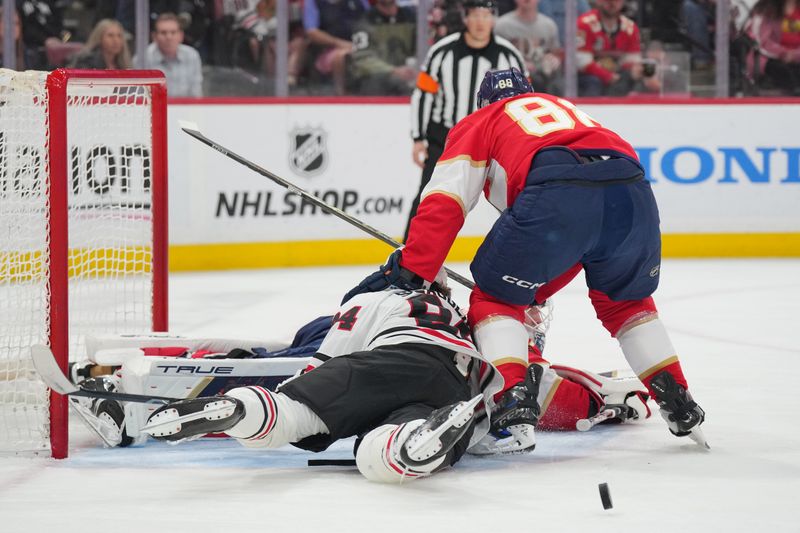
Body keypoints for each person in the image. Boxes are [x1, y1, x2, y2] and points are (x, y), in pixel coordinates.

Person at [346, 67, 708, 448]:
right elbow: (581, 222)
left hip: (557, 191)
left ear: (483, 103)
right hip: (632, 192)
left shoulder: (482, 120)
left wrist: (415, 267)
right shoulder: (563, 108)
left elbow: (445, 201)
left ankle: (512, 401)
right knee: (627, 304)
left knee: (494, 299)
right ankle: (678, 399)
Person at [140, 287, 538, 483]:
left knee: (293, 416)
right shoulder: (468, 324)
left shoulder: (377, 298)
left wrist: (297, 394)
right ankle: (409, 441)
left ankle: (240, 410)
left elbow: (328, 355)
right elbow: (510, 373)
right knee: (375, 452)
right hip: (453, 385)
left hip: (392, 357)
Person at [406, 0, 527, 242]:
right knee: (429, 197)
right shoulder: (441, 51)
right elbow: (423, 94)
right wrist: (419, 138)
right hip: (446, 139)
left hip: (494, 142)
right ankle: (409, 254)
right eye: (475, 14)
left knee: (515, 199)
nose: (481, 21)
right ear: (466, 18)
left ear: (493, 19)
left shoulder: (509, 55)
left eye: (486, 15)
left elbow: (524, 101)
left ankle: (521, 253)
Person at [576, 0, 653, 96]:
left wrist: (634, 72)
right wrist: (608, 76)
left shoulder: (630, 28)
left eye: (616, 1)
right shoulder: (584, 24)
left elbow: (632, 61)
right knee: (593, 83)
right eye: (607, 1)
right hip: (588, 77)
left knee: (638, 81)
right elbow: (581, 62)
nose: (611, 3)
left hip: (618, 76)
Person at [346, 0, 417, 95]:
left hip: (410, 75)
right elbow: (362, 59)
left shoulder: (411, 18)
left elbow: (422, 50)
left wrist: (413, 67)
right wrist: (393, 70)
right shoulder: (366, 21)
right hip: (376, 80)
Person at [303, 0, 370, 95]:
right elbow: (312, 32)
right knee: (341, 56)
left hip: (362, 45)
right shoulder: (313, 2)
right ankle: (340, 95)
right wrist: (339, 43)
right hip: (329, 49)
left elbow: (372, 22)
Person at [494, 0, 562, 94]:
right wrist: (518, 64)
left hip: (543, 81)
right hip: (511, 80)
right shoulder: (502, 25)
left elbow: (555, 53)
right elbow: (495, 57)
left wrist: (553, 60)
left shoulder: (549, 25)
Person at [135, 12, 203, 97]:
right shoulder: (142, 58)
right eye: (163, 33)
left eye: (173, 32)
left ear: (181, 36)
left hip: (186, 108)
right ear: (154, 36)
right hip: (154, 109)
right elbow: (139, 96)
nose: (169, 37)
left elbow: (196, 94)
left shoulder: (192, 56)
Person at [746, 0, 800, 95]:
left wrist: (794, 55)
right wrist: (784, 53)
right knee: (785, 75)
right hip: (768, 58)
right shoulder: (765, 9)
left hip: (795, 58)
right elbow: (761, 41)